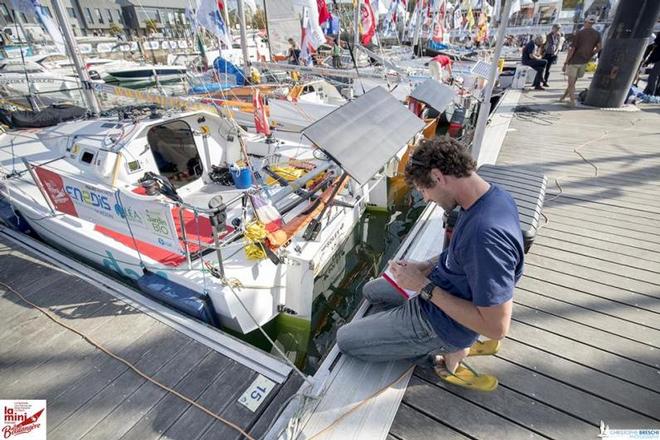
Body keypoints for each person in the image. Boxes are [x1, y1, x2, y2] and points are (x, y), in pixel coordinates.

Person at [336, 137, 524, 388]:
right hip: (442, 287)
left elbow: (497, 327)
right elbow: (462, 255)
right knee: (371, 291)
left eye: (424, 190)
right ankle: (415, 329)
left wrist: (424, 286)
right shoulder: (489, 197)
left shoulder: (485, 236)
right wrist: (424, 266)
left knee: (346, 339)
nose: (425, 199)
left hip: (441, 323)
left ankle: (450, 349)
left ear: (438, 177)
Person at [560, 15, 602, 106]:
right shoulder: (597, 34)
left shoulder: (579, 33)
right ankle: (563, 97)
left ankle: (572, 102)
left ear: (585, 22)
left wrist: (566, 62)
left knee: (571, 83)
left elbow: (572, 49)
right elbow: (599, 47)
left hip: (574, 60)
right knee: (574, 81)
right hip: (584, 61)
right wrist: (591, 54)